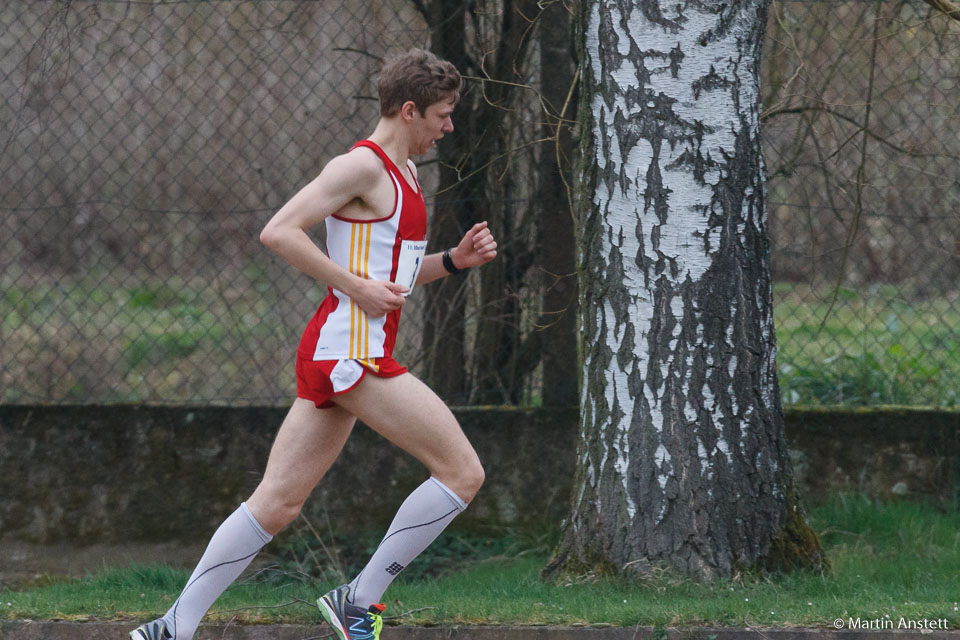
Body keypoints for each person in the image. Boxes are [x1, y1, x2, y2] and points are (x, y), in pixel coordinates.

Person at [130, 48, 497, 640]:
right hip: (351, 354)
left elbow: (390, 278)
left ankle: (173, 626)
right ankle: (358, 601)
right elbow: (278, 231)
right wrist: (354, 286)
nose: (449, 127)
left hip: (340, 352)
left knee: (277, 502)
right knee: (462, 472)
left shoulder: (404, 175)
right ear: (409, 110)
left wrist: (453, 261)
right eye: (443, 114)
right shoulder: (360, 168)